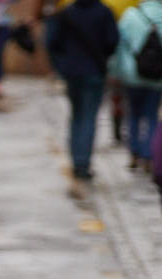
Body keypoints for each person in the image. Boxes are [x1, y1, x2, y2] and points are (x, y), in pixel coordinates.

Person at [44, 0, 119, 191]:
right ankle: (83, 163)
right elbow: (112, 41)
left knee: (77, 115)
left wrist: (62, 65)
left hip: (73, 73)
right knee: (88, 117)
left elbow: (52, 42)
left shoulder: (67, 13)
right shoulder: (104, 12)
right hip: (94, 71)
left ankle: (77, 160)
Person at [111, 0, 162, 171]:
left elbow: (118, 45)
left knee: (134, 114)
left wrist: (115, 71)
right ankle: (148, 154)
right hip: (159, 76)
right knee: (152, 115)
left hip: (132, 74)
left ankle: (134, 152)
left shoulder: (131, 15)